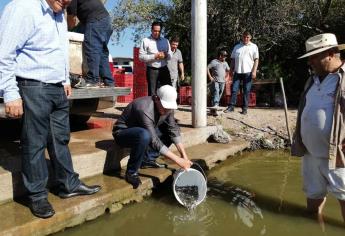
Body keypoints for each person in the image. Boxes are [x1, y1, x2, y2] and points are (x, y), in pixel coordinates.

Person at [0, 0, 101, 219]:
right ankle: (37, 196)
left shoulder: (59, 13)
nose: (66, 1)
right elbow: (4, 53)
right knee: (34, 143)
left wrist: (65, 78)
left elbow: (58, 49)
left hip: (57, 87)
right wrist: (10, 92)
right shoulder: (22, 8)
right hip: (33, 85)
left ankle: (68, 184)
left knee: (60, 139)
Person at [291, 33, 345, 223]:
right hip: (311, 155)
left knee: (344, 197)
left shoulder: (343, 78)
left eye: (314, 57)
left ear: (330, 53)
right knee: (313, 200)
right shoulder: (312, 80)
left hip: (337, 156)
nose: (310, 62)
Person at [113, 85, 192, 189]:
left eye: (169, 108)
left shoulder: (168, 108)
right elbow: (153, 140)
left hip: (145, 131)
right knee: (144, 135)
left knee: (170, 130)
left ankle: (147, 159)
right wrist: (178, 160)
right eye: (164, 106)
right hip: (123, 133)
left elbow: (173, 129)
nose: (166, 110)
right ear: (156, 98)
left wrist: (184, 156)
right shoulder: (143, 108)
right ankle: (131, 172)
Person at [67, 0, 114, 87]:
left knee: (92, 49)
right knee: (102, 52)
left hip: (95, 21)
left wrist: (68, 31)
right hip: (106, 21)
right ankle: (109, 81)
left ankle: (93, 79)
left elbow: (71, 18)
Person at [224, 31, 259, 115]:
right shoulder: (237, 46)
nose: (246, 39)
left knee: (246, 90)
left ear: (250, 38)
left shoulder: (254, 46)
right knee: (234, 89)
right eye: (244, 37)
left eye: (247, 37)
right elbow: (233, 59)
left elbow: (256, 60)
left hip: (248, 72)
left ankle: (244, 108)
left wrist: (254, 71)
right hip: (237, 72)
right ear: (242, 37)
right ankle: (231, 107)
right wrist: (231, 70)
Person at [139, 21, 173, 95]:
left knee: (169, 91)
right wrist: (155, 56)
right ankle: (153, 106)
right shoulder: (145, 41)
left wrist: (166, 55)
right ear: (151, 30)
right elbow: (141, 57)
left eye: (159, 31)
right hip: (152, 70)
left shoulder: (165, 41)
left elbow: (170, 55)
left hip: (164, 68)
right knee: (152, 93)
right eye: (155, 31)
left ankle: (167, 106)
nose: (157, 33)